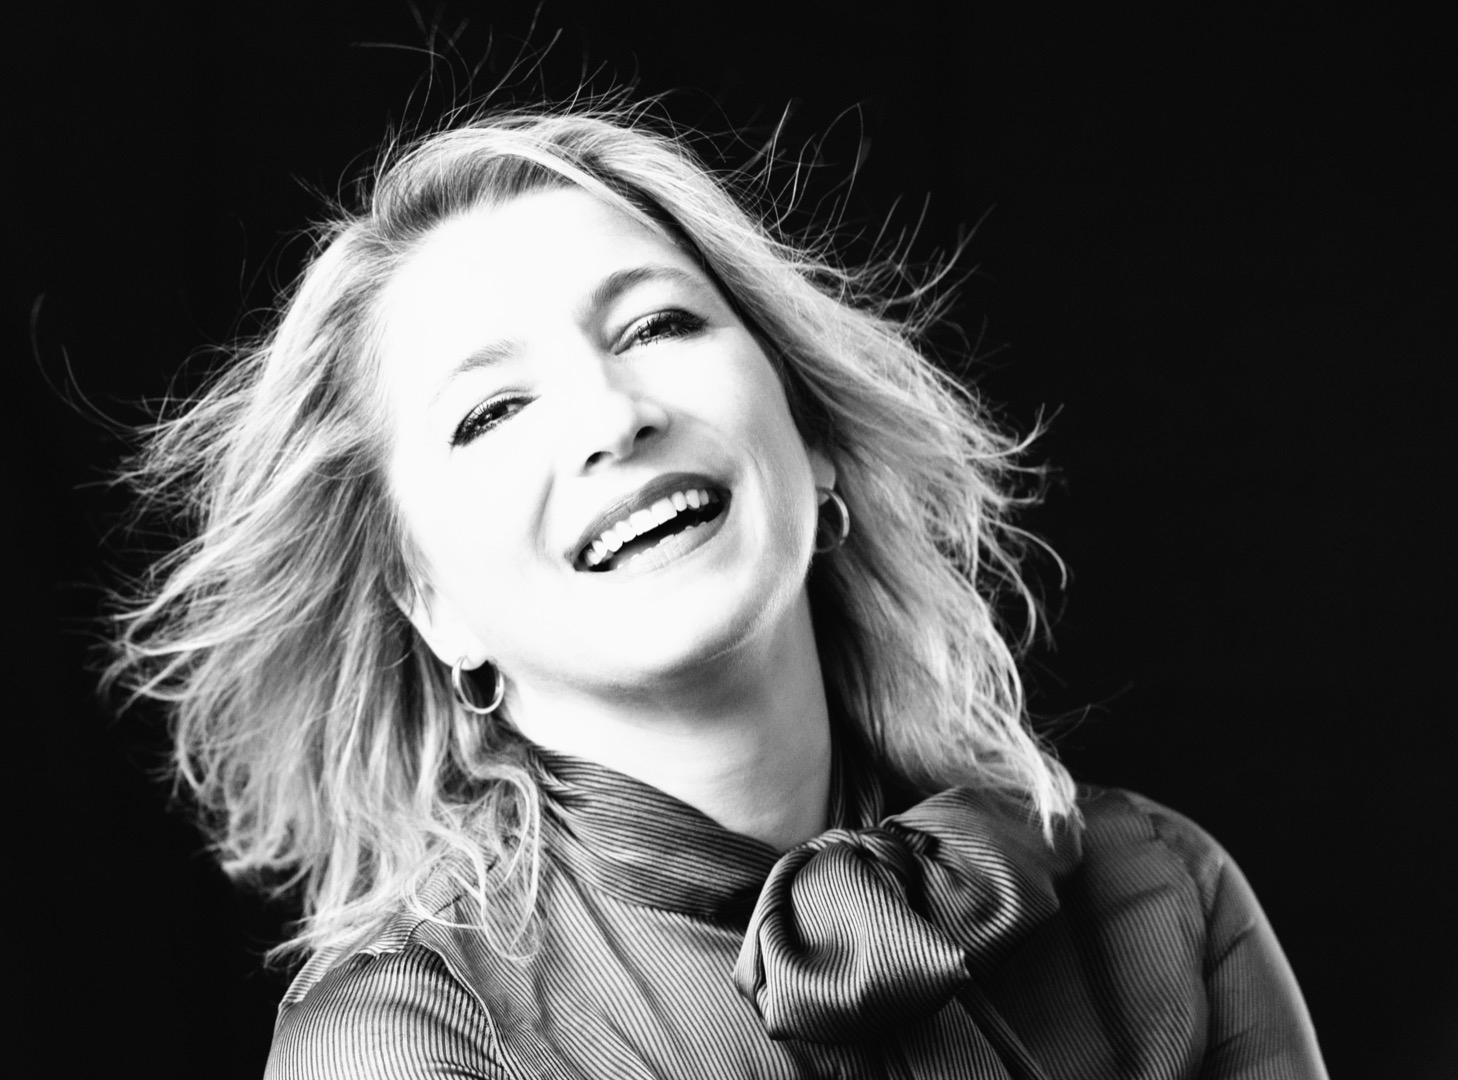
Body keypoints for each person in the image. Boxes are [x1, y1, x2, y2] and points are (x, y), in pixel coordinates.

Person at [108, 103, 1328, 1079]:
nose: (613, 415)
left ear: (813, 434)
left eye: (655, 327)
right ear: (430, 603)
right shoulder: (405, 1047)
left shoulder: (1154, 891)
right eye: (492, 410)